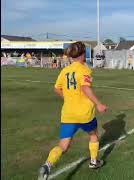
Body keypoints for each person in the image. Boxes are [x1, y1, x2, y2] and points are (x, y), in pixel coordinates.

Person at [38, 42, 107, 180]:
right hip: (84, 114)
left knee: (63, 145)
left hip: (68, 113)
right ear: (83, 54)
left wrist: (68, 99)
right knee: (93, 135)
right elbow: (85, 88)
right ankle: (94, 161)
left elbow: (57, 88)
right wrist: (99, 104)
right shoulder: (84, 69)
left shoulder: (65, 71)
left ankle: (47, 165)